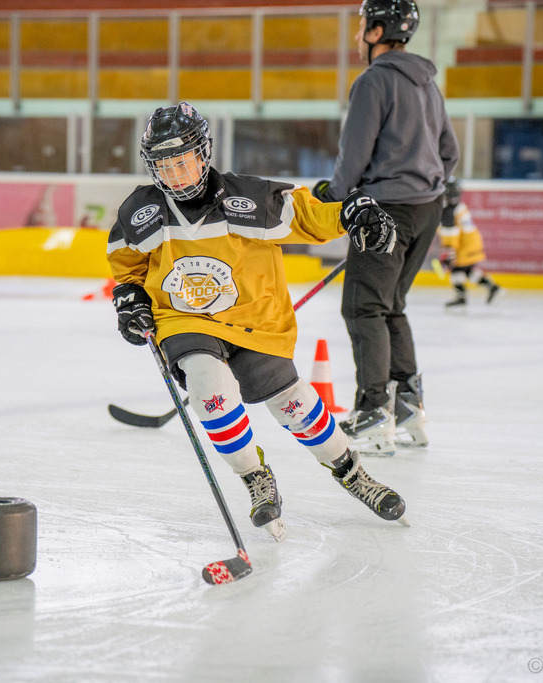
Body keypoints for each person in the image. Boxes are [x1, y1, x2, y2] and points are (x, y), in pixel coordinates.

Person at [107, 102, 408, 541]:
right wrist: (129, 296)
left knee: (295, 406)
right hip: (183, 320)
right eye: (164, 167)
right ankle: (254, 477)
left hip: (256, 322)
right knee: (209, 385)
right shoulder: (142, 210)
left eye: (183, 163)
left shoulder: (249, 198)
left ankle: (352, 472)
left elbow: (310, 214)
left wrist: (352, 210)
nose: (175, 176)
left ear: (203, 154)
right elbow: (125, 264)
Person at [313, 0, 459, 455]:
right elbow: (449, 152)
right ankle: (409, 408)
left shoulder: (373, 81)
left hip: (386, 211)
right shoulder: (428, 84)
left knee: (363, 308)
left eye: (361, 27)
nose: (357, 36)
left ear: (377, 31)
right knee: (391, 304)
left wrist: (333, 195)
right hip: (426, 208)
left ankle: (374, 411)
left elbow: (353, 156)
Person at [438, 176, 503, 308]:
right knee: (466, 271)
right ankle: (492, 287)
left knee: (456, 270)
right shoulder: (458, 206)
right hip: (472, 242)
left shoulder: (448, 212)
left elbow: (451, 236)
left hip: (464, 246)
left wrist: (449, 252)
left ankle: (461, 298)